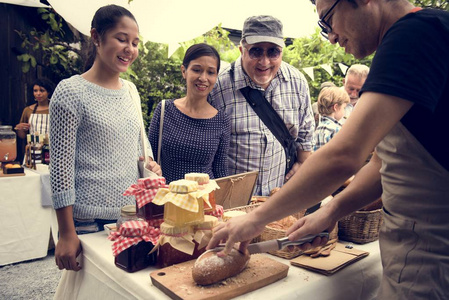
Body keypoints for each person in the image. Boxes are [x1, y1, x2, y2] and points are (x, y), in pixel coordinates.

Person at [208, 0, 449, 298]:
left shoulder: (412, 37)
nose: (331, 36)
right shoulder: (424, 32)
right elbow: (384, 164)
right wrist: (332, 210)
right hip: (419, 245)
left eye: (328, 20)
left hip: (430, 249)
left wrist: (256, 220)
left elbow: (344, 155)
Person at [49, 4, 161, 272]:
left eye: (135, 43)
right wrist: (66, 233)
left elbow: (139, 146)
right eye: (121, 39)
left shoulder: (131, 91)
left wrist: (150, 165)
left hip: (131, 218)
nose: (130, 49)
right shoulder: (70, 92)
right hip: (87, 222)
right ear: (96, 37)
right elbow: (60, 169)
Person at [208, 15, 315, 196]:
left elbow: (305, 135)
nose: (264, 62)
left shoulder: (297, 83)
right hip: (232, 203)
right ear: (242, 50)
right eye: (256, 51)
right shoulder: (218, 86)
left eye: (273, 52)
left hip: (279, 199)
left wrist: (301, 164)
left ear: (282, 52)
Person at [148, 43, 231, 183]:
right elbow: (150, 159)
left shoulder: (221, 120)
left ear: (216, 76)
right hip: (168, 198)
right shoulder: (164, 110)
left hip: (204, 200)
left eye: (210, 72)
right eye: (197, 70)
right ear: (184, 71)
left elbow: (220, 170)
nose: (203, 78)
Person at [313, 87, 349, 151]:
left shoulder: (319, 127)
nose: (344, 111)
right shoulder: (336, 129)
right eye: (344, 108)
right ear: (336, 107)